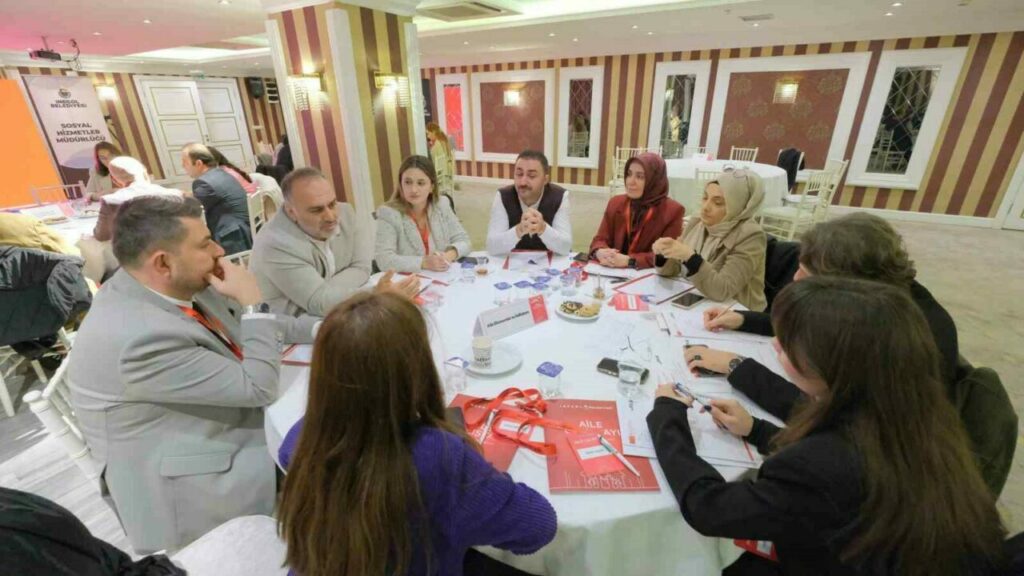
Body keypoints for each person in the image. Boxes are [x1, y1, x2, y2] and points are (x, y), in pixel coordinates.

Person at [648, 277, 1006, 576]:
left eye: (789, 343)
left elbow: (710, 509)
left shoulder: (822, 463)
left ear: (832, 366)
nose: (776, 343)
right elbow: (836, 478)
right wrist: (756, 430)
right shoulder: (913, 413)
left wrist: (667, 416)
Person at [67, 196, 320, 554]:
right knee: (339, 459)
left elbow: (243, 324)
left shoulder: (163, 284)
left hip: (211, 422)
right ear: (163, 262)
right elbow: (257, 388)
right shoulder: (138, 338)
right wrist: (254, 303)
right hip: (193, 483)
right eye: (205, 244)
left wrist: (325, 328)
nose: (219, 250)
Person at [278, 292, 557, 576]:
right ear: (415, 369)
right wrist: (482, 476)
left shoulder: (301, 438)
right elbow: (539, 526)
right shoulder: (439, 458)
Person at [692, 213, 961, 413]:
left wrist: (737, 366)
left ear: (847, 285)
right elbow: (818, 325)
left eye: (807, 274)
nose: (795, 279)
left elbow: (825, 416)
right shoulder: (875, 299)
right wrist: (745, 319)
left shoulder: (903, 339)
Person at [250, 167, 419, 317]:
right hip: (289, 328)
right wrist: (375, 294)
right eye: (317, 210)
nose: (331, 217)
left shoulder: (346, 213)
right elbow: (318, 303)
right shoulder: (274, 243)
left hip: (331, 313)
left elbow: (362, 268)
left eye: (332, 204)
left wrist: (324, 292)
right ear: (291, 212)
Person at [652, 167, 766, 310]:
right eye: (705, 198)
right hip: (698, 300)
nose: (705, 207)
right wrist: (663, 254)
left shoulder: (750, 236)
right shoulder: (697, 222)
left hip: (737, 311)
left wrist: (690, 257)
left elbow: (723, 290)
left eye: (717, 203)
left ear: (739, 206)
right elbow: (672, 270)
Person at [78, 156, 182, 283]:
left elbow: (102, 235)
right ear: (144, 172)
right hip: (177, 253)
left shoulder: (112, 200)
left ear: (115, 180)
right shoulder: (175, 194)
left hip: (136, 262)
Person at [375, 155, 471, 273]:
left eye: (421, 183)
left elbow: (464, 241)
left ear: (431, 187)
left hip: (441, 277)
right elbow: (384, 260)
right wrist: (424, 262)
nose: (413, 189)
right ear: (401, 185)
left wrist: (448, 255)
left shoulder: (442, 205)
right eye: (408, 182)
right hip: (407, 280)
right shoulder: (388, 213)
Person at [588, 152, 684, 269]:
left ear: (654, 181)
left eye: (640, 177)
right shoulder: (616, 203)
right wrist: (600, 251)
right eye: (629, 174)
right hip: (613, 272)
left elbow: (668, 256)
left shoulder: (672, 211)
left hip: (648, 277)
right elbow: (600, 239)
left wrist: (631, 261)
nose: (630, 182)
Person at [486, 150, 572, 256]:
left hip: (549, 261)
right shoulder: (503, 196)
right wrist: (519, 230)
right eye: (519, 174)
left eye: (531, 176)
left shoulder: (559, 197)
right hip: (514, 261)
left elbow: (565, 248)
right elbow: (492, 247)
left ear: (545, 179)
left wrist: (543, 229)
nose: (522, 182)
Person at [181, 142, 252, 255]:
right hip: (245, 231)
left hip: (233, 238)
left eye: (185, 162)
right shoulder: (221, 174)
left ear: (199, 163)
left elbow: (189, 208)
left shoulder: (204, 182)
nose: (182, 166)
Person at [426, 122, 456, 208]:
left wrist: (431, 147)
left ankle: (429, 203)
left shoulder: (437, 144)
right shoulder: (444, 140)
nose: (428, 136)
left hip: (440, 174)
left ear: (434, 132)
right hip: (447, 172)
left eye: (428, 133)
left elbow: (433, 159)